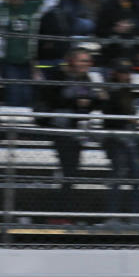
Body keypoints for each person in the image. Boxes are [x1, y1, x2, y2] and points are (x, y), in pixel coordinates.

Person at [34, 49, 105, 215]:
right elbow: (53, 100)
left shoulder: (86, 79)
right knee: (68, 173)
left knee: (72, 174)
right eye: (82, 61)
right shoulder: (59, 76)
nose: (85, 65)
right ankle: (55, 211)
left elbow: (93, 104)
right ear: (72, 62)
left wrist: (96, 100)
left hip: (77, 132)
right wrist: (76, 102)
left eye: (87, 61)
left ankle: (63, 211)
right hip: (61, 131)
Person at [101, 59, 139, 219]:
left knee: (137, 175)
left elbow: (134, 117)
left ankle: (135, 216)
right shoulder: (110, 90)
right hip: (116, 139)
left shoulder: (128, 91)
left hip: (131, 139)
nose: (126, 75)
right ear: (116, 73)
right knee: (118, 175)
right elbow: (109, 119)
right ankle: (112, 216)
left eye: (128, 72)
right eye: (123, 72)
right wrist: (127, 118)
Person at [0, 0, 42, 106]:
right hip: (8, 60)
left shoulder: (32, 7)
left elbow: (51, 1)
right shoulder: (3, 8)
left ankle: (23, 122)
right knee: (14, 92)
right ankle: (13, 123)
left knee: (27, 92)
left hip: (27, 60)